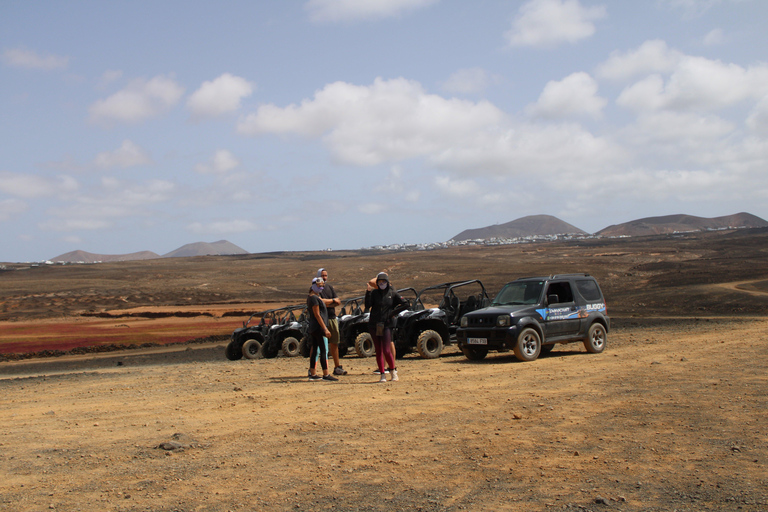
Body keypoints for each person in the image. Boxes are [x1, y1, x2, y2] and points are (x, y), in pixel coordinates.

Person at [365, 272, 408, 382]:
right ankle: (382, 374)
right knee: (378, 350)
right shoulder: (374, 293)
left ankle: (393, 371)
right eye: (379, 282)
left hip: (387, 324)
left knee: (386, 349)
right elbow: (367, 305)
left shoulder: (392, 293)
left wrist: (393, 313)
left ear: (388, 283)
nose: (382, 284)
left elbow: (405, 304)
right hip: (374, 324)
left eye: (384, 282)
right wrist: (368, 293)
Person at [307, 277, 337, 382]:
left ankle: (313, 373)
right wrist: (325, 328)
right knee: (323, 350)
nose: (321, 287)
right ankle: (326, 374)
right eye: (319, 285)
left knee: (315, 350)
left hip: (314, 327)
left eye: (322, 285)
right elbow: (317, 314)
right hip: (318, 328)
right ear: (314, 285)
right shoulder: (314, 298)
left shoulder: (312, 297)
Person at [316, 268, 346, 376]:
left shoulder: (329, 288)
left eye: (326, 275)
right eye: (322, 275)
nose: (324, 278)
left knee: (334, 343)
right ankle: (319, 369)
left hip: (332, 317)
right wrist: (331, 302)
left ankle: (337, 367)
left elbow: (338, 301)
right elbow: (320, 301)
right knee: (321, 344)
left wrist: (329, 302)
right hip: (322, 318)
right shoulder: (316, 289)